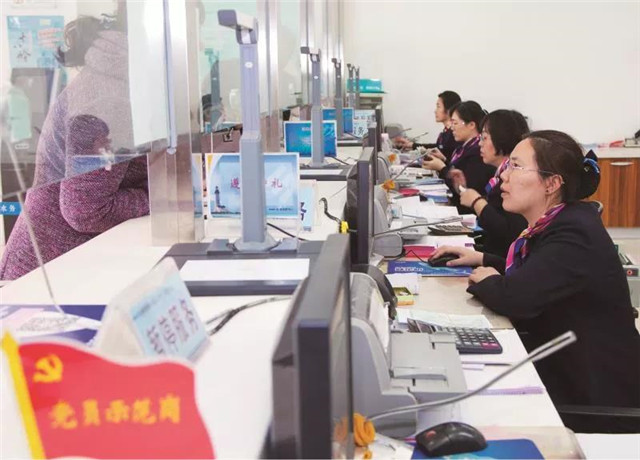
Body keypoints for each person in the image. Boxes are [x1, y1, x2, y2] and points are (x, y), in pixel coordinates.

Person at [431, 130, 640, 432]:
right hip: (562, 368)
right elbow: (540, 272)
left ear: (552, 184)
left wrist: (487, 280)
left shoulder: (575, 234)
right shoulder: (560, 221)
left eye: (516, 166)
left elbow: (515, 298)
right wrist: (484, 259)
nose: (503, 176)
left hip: (592, 398)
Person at [0, 6, 149, 281]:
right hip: (47, 276)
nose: (195, 49)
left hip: (71, 266)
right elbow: (85, 210)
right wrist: (159, 199)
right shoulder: (109, 99)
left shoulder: (126, 81)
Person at [449, 110, 529, 257]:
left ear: (502, 138)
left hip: (499, 260)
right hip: (488, 252)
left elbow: (507, 231)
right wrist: (463, 189)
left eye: (484, 138)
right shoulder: (499, 173)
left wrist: (477, 202)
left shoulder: (515, 179)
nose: (480, 143)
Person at [422, 100, 495, 212]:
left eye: (455, 123)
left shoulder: (478, 152)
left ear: (471, 125)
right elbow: (459, 171)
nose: (452, 127)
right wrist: (444, 160)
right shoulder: (464, 146)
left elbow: (467, 189)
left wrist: (442, 168)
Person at [395, 90, 461, 160]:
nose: (435, 111)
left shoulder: (454, 134)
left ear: (449, 110)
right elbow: (437, 147)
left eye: (438, 106)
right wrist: (412, 145)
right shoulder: (446, 131)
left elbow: (444, 153)